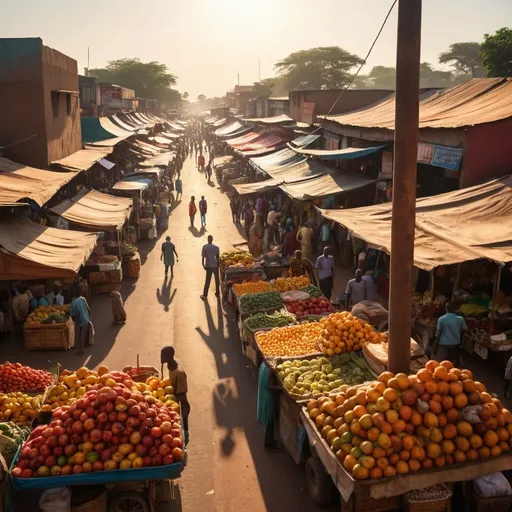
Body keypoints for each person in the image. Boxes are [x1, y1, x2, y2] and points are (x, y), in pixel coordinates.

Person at [161, 346, 190, 444]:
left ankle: (185, 437)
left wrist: (182, 407)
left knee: (182, 422)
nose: (161, 358)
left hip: (179, 400)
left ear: (169, 356)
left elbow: (182, 394)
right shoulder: (171, 364)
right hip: (172, 395)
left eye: (163, 356)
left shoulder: (179, 373)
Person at [433, 302, 467, 366]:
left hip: (443, 345)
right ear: (455, 310)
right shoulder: (460, 319)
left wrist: (435, 346)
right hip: (456, 344)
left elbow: (438, 334)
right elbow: (464, 330)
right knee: (454, 365)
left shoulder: (441, 319)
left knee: (443, 364)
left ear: (446, 308)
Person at [257, 362, 280, 449]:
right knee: (269, 420)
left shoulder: (263, 364)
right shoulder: (270, 369)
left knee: (268, 419)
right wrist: (281, 388)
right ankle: (269, 443)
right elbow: (269, 386)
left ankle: (269, 441)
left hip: (263, 394)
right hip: (269, 397)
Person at [70, 291, 92, 355]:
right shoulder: (83, 299)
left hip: (78, 320)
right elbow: (88, 309)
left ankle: (79, 350)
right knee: (83, 335)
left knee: (78, 335)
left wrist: (74, 322)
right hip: (85, 319)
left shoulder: (73, 303)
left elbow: (73, 314)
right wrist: (87, 316)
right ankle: (82, 348)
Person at [201, 235, 220, 299]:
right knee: (217, 280)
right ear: (212, 239)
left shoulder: (204, 247)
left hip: (208, 266)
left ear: (207, 239)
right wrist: (218, 264)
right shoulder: (217, 248)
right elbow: (218, 257)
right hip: (215, 266)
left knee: (207, 281)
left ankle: (205, 295)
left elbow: (203, 257)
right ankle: (217, 293)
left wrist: (203, 265)